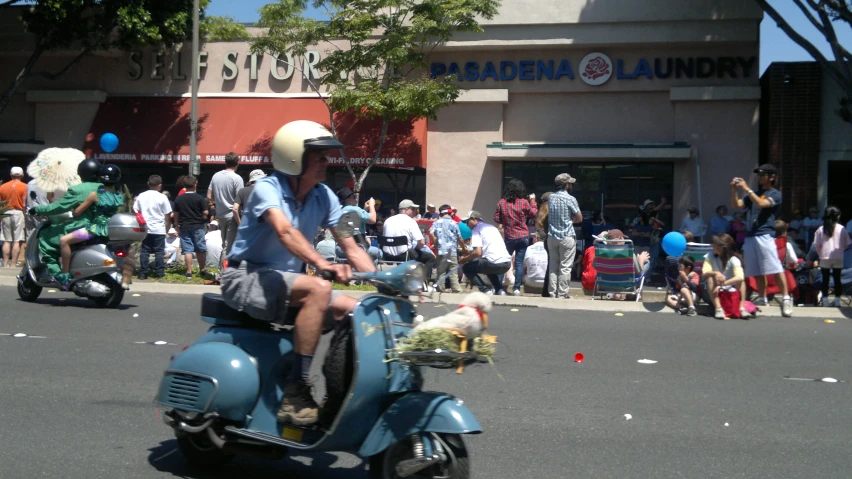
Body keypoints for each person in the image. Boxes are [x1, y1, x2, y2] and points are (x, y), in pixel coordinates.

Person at [221, 120, 374, 426]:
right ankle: (297, 393)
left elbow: (352, 247)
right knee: (320, 288)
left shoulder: (325, 196)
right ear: (295, 158)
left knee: (359, 312)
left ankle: (337, 395)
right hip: (245, 277)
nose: (326, 163)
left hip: (285, 284)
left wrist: (389, 282)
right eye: (319, 157)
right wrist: (324, 263)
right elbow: (285, 231)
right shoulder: (267, 188)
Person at [731, 164, 792, 317]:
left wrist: (746, 189)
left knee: (775, 268)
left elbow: (762, 204)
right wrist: (734, 189)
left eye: (763, 175)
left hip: (765, 234)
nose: (760, 177)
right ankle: (763, 298)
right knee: (757, 270)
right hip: (751, 235)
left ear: (772, 177)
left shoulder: (775, 194)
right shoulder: (754, 193)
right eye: (759, 175)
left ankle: (785, 298)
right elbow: (737, 204)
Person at [54, 164, 124, 290]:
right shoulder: (119, 195)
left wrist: (75, 210)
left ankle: (65, 275)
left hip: (95, 229)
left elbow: (77, 212)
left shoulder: (95, 194)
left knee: (64, 241)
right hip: (113, 229)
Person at [32, 158, 103, 277]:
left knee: (46, 237)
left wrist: (38, 209)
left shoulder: (77, 189)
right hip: (103, 227)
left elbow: (59, 206)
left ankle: (62, 275)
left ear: (81, 174)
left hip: (84, 227)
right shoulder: (107, 188)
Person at [494, 178, 538, 296]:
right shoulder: (524, 202)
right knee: (519, 263)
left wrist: (506, 219)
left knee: (503, 261)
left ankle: (498, 288)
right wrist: (533, 201)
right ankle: (517, 288)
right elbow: (534, 214)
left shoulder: (502, 202)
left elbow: (496, 219)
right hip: (523, 236)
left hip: (509, 236)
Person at [381, 199, 437, 285]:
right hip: (404, 255)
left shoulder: (388, 220)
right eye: (413, 209)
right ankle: (424, 283)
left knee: (406, 251)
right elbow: (421, 242)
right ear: (406, 210)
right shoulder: (410, 221)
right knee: (430, 258)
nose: (415, 211)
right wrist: (416, 250)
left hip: (387, 255)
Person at [547, 173, 583, 299]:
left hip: (552, 236)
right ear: (566, 185)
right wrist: (570, 221)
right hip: (566, 235)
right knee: (565, 267)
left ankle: (552, 293)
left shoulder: (551, 197)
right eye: (570, 183)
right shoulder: (570, 199)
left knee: (553, 265)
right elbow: (579, 218)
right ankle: (562, 293)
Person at [459, 210, 511, 295]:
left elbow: (477, 252)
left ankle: (485, 290)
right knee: (487, 266)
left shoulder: (476, 229)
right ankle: (499, 290)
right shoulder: (492, 227)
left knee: (466, 268)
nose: (467, 225)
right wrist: (470, 256)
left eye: (467, 222)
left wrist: (464, 259)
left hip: (493, 263)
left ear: (474, 219)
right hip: (506, 263)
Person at [208, 152, 244, 266]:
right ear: (237, 163)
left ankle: (222, 270)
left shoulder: (215, 176)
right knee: (228, 246)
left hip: (220, 214)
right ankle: (224, 273)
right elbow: (240, 199)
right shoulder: (237, 178)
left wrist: (219, 200)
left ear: (225, 162)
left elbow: (209, 197)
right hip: (232, 215)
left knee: (223, 244)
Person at [134, 175, 173, 280]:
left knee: (145, 250)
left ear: (148, 184)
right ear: (160, 185)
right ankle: (160, 272)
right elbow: (167, 214)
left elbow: (135, 209)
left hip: (145, 227)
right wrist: (167, 227)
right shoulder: (162, 197)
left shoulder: (141, 196)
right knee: (159, 252)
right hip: (159, 228)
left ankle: (143, 273)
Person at [703, 233, 748, 319]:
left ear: (722, 247)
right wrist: (715, 273)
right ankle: (718, 308)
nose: (713, 246)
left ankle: (742, 308)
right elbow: (705, 272)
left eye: (715, 244)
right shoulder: (710, 256)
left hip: (730, 291)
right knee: (710, 277)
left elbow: (740, 277)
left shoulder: (734, 259)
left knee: (741, 281)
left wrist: (723, 285)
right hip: (713, 292)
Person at [813, 206, 849, 307]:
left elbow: (817, 244)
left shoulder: (821, 229)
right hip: (838, 256)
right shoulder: (842, 228)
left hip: (825, 256)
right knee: (837, 279)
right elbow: (847, 244)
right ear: (836, 216)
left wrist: (820, 254)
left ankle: (825, 300)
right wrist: (841, 249)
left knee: (825, 279)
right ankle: (837, 300)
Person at [173, 175, 209, 278]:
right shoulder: (200, 198)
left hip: (184, 226)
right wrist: (203, 216)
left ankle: (189, 272)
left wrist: (176, 226)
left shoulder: (179, 198)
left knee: (187, 250)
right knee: (200, 249)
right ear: (195, 184)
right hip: (198, 226)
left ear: (184, 185)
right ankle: (202, 270)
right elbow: (205, 211)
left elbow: (176, 213)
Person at [335, 186, 381, 262]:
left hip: (340, 249)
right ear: (348, 200)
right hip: (357, 249)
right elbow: (373, 220)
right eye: (354, 197)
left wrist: (365, 209)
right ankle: (368, 273)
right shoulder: (355, 209)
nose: (356, 198)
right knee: (378, 253)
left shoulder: (339, 211)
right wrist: (372, 206)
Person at [429, 204, 464, 293]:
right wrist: (464, 247)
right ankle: (456, 289)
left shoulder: (437, 222)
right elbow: (460, 238)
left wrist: (435, 243)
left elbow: (431, 233)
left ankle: (441, 288)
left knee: (441, 271)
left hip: (441, 251)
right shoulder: (454, 223)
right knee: (453, 270)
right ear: (449, 213)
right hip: (452, 251)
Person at [0, 167, 27, 267]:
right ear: (22, 175)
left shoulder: (2, 187)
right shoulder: (25, 187)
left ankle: (6, 263)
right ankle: (14, 264)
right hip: (18, 213)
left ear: (11, 175)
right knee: (17, 240)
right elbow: (24, 204)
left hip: (6, 212)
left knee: (7, 240)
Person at [535, 192, 553, 297]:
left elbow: (540, 230)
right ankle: (549, 290)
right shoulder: (552, 210)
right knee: (554, 266)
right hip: (551, 239)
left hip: (545, 241)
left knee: (550, 265)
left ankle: (545, 290)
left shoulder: (541, 212)